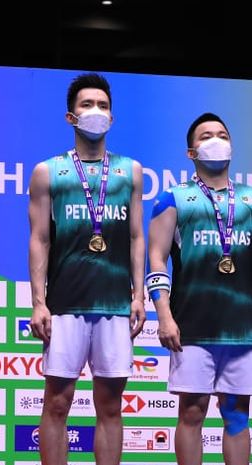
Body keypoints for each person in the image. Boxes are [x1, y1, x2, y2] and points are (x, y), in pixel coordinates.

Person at [28, 72, 145, 465]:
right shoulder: (48, 172)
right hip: (64, 304)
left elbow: (135, 237)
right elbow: (40, 238)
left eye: (103, 106)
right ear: (70, 117)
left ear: (112, 117)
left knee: (110, 407)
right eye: (87, 105)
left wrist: (139, 295)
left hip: (113, 304)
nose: (96, 112)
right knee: (57, 404)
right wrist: (38, 302)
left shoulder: (131, 171)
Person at [147, 113, 252, 465]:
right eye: (206, 135)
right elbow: (157, 261)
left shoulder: (251, 199)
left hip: (243, 329)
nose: (216, 139)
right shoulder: (173, 200)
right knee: (191, 413)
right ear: (191, 152)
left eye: (222, 134)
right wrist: (164, 316)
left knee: (237, 415)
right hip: (191, 328)